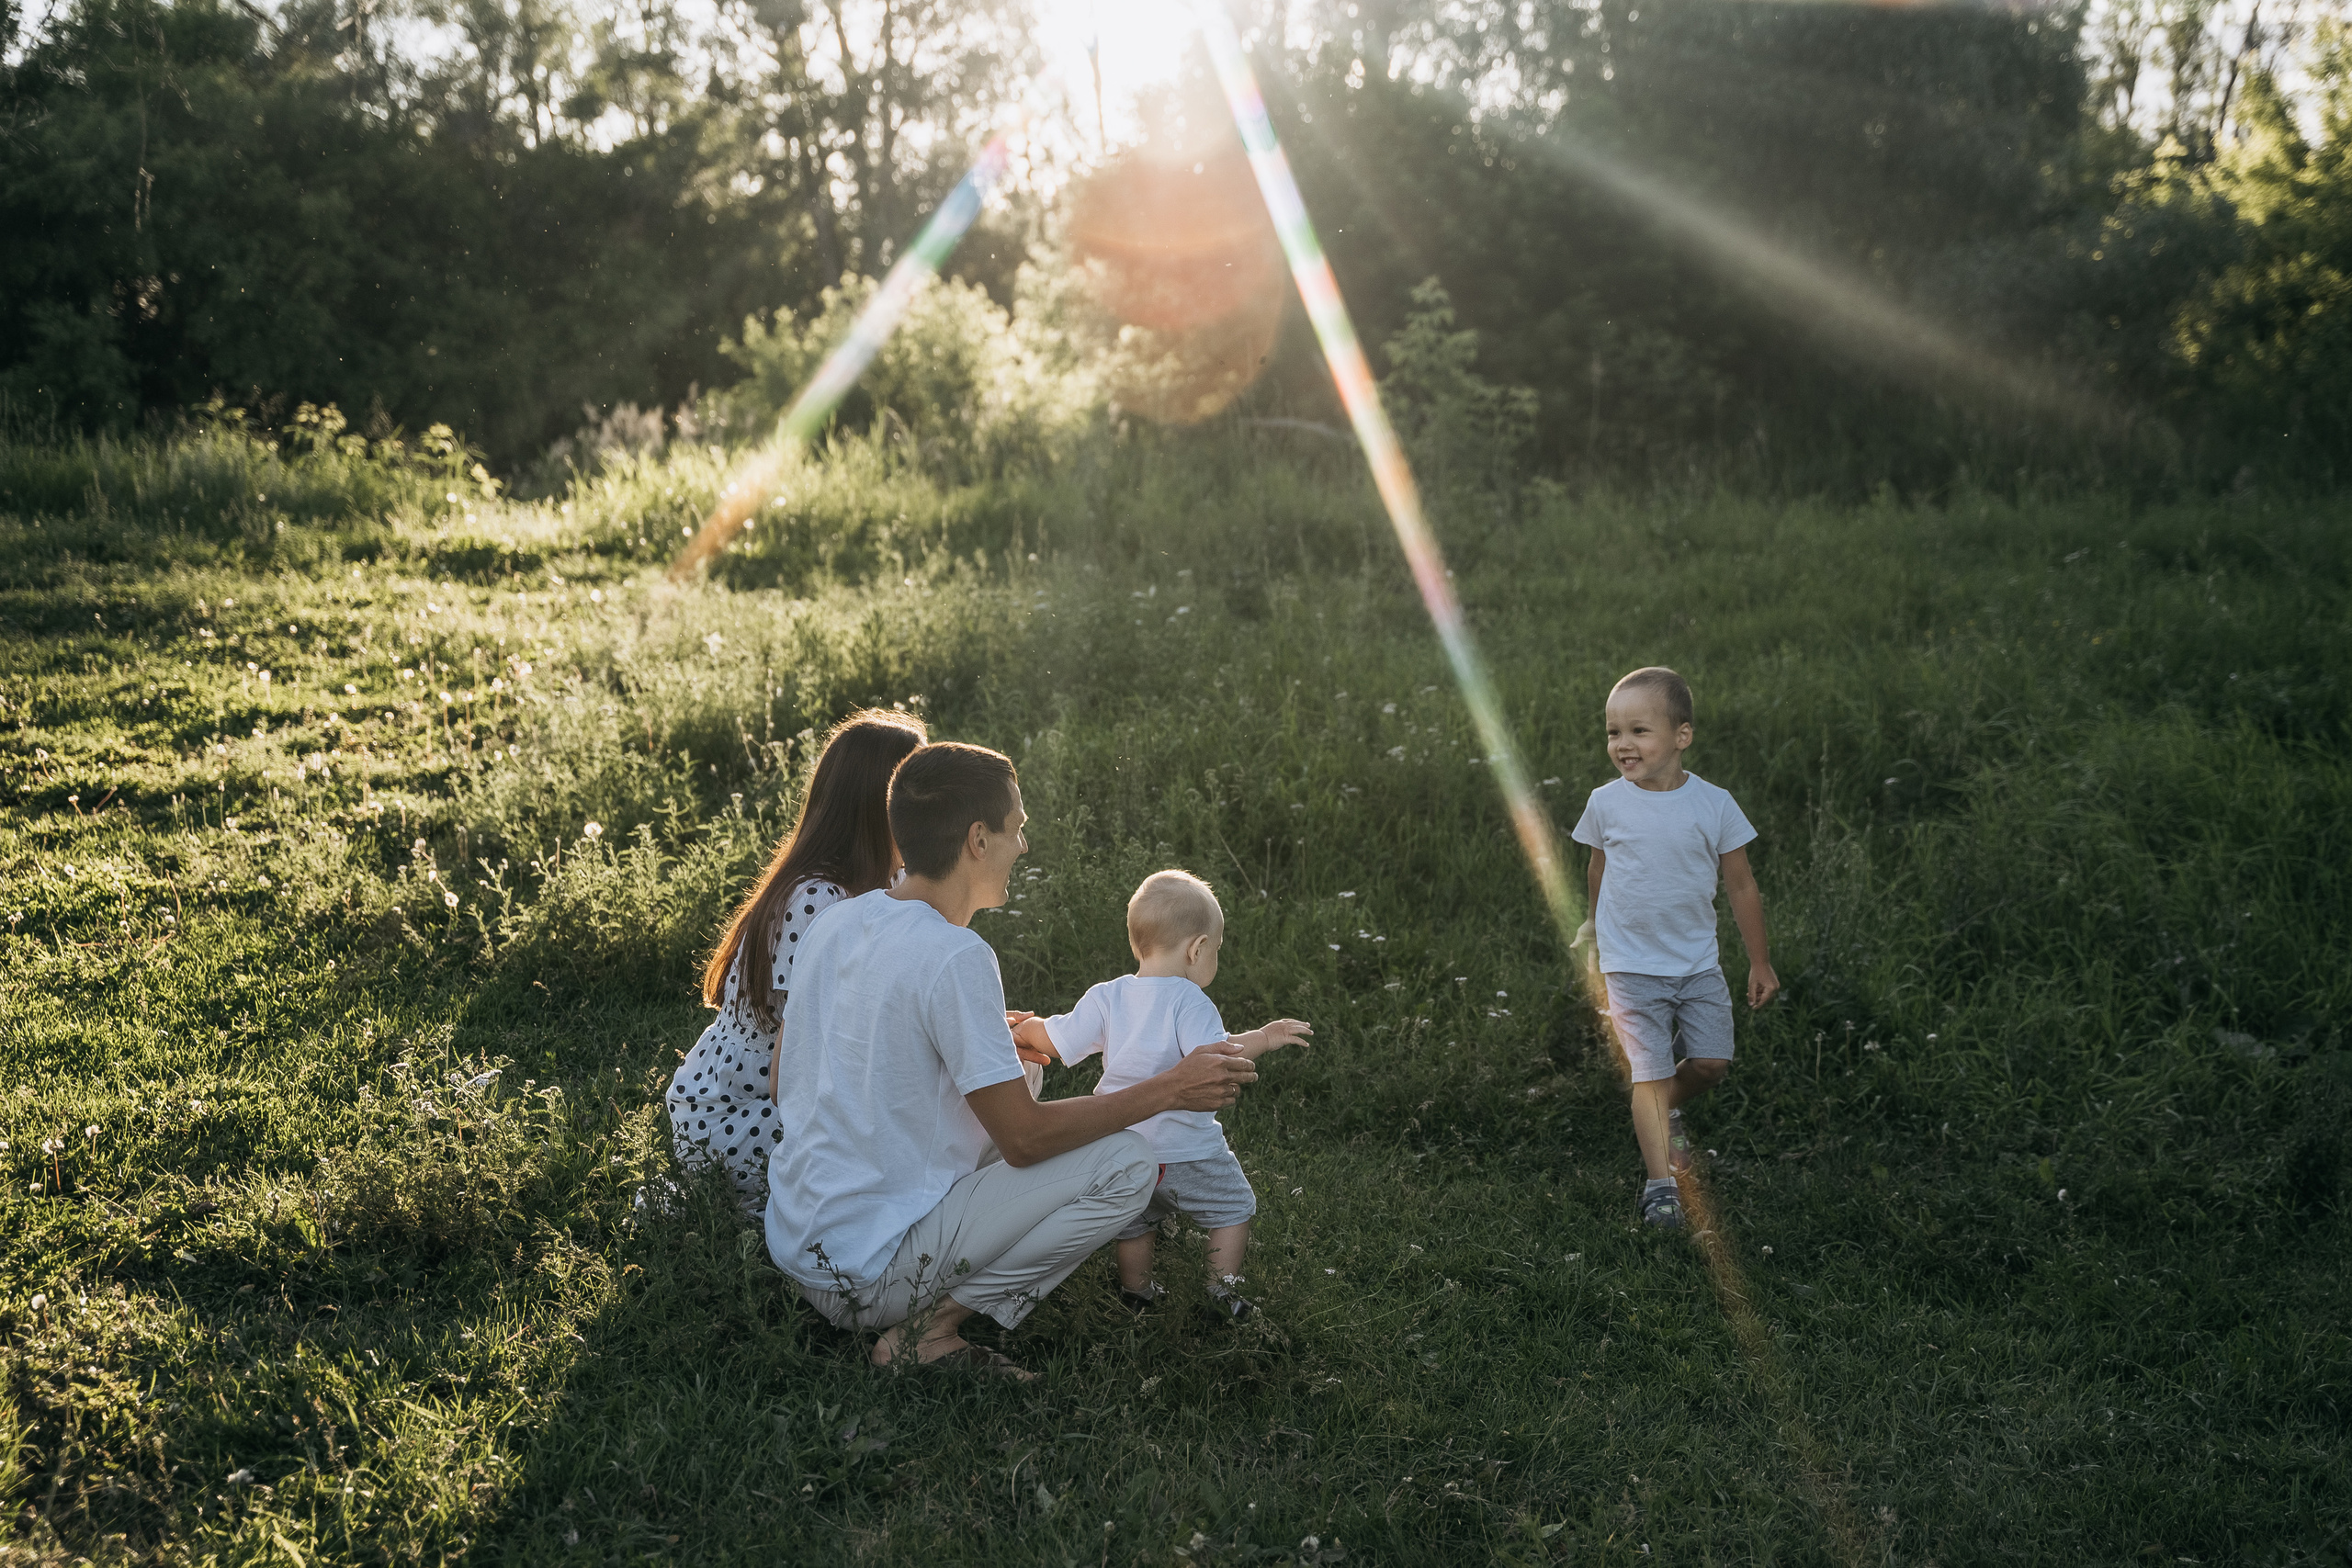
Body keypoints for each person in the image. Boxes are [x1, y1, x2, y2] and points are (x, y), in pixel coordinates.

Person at [764, 741, 1260, 1378]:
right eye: (1016, 828)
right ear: (978, 838)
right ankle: (930, 1332)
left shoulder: (836, 920)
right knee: (1130, 1164)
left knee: (1020, 1071)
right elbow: (1024, 1140)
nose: (1022, 845)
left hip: (800, 1245)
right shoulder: (956, 956)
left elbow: (787, 1082)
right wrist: (1169, 1087)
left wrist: (973, 1038)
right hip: (872, 1273)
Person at [1013, 870, 1311, 1322]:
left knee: (1136, 1219)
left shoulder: (1107, 996)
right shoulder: (1188, 1000)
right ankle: (1221, 1294)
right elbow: (1219, 1054)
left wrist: (1019, 1027)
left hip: (1122, 1147)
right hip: (1186, 1151)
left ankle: (1137, 1293)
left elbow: (1055, 1038)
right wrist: (1266, 1037)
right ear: (1197, 949)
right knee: (1234, 1207)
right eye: (1217, 950)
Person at [665, 709, 926, 1209]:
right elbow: (808, 1063)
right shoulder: (816, 900)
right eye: (916, 794)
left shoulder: (889, 882)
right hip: (738, 1115)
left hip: (792, 1100)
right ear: (878, 806)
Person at [1570, 666, 1779, 1230]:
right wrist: (1593, 930)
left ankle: (1663, 1110)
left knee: (1712, 1063)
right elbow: (1598, 869)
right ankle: (1662, 1186)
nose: (1623, 745)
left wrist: (1759, 960)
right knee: (1648, 1072)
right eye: (1614, 732)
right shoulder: (1607, 803)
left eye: (1640, 731)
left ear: (1681, 736)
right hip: (1630, 964)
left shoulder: (1713, 805)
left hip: (1696, 964)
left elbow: (1740, 884)